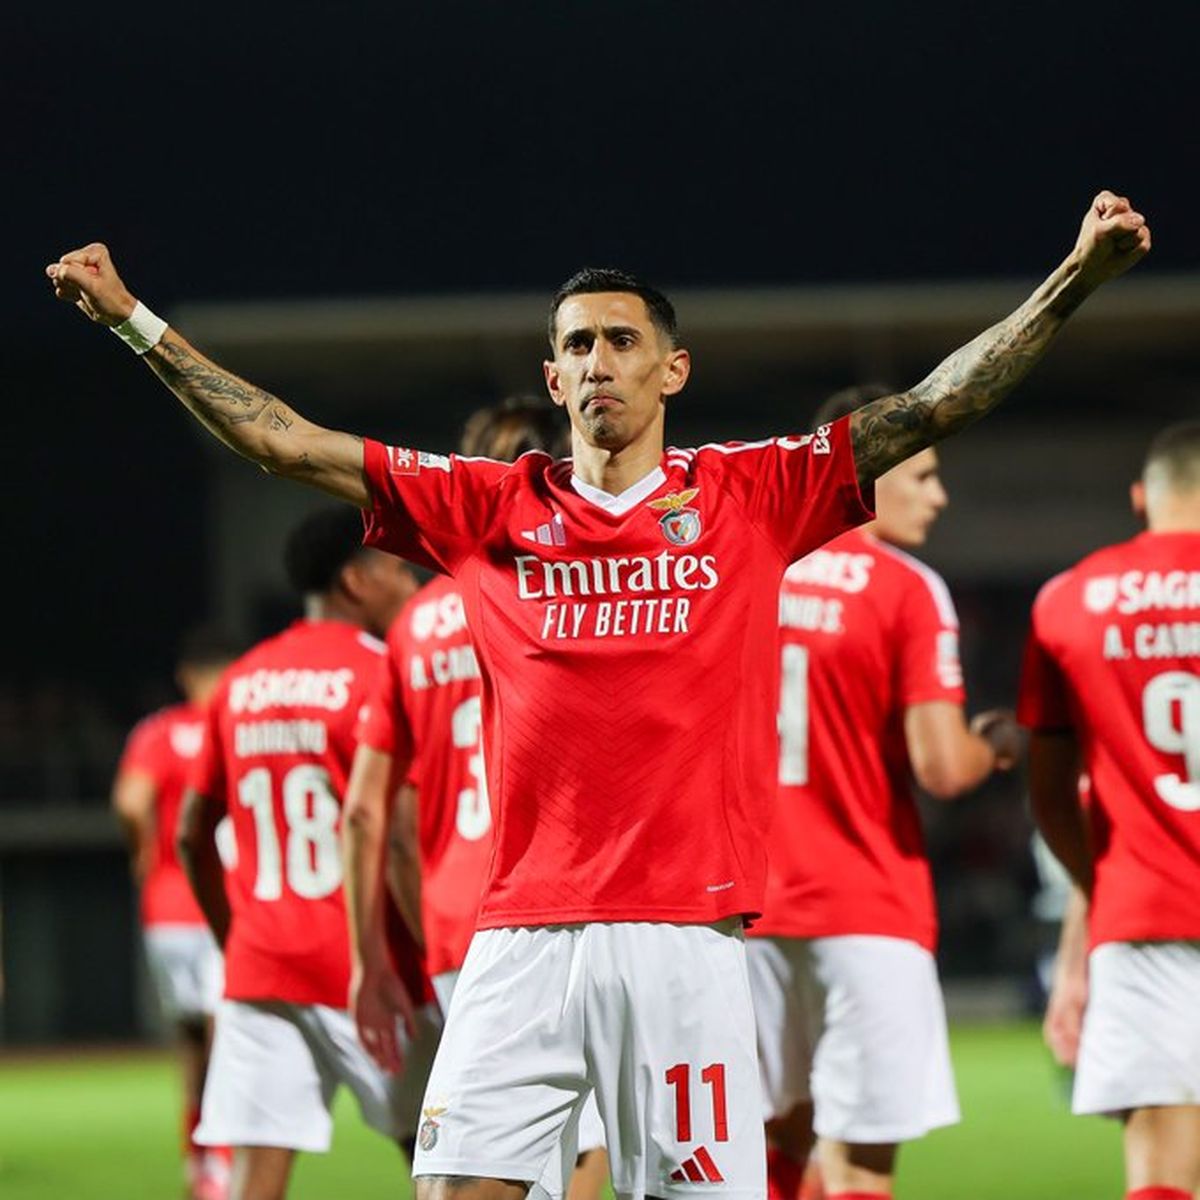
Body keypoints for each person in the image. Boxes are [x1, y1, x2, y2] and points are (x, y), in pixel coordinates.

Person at [48, 189, 1149, 1200]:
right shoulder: (486, 506)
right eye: (579, 344)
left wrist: (1076, 278)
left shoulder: (750, 494)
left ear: (674, 371)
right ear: (555, 372)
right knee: (452, 1190)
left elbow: (930, 407)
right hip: (520, 935)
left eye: (624, 341)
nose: (599, 362)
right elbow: (281, 440)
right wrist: (133, 320)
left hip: (685, 940)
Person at [745, 383, 1019, 1200]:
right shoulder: (905, 588)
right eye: (923, 472)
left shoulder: (745, 572)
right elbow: (941, 767)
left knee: (768, 1145)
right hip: (864, 903)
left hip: (740, 911)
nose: (938, 494)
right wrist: (993, 746)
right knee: (861, 1164)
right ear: (867, 472)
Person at [344, 395, 609, 1200]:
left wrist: (393, 950)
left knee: (475, 1145)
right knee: (582, 1151)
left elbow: (373, 815)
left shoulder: (416, 624)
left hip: (457, 916)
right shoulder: (573, 587)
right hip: (563, 897)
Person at [176, 506, 436, 1200]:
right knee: (451, 1165)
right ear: (356, 580)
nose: (410, 584)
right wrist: (435, 958)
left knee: (255, 1182)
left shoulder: (242, 680)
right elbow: (402, 838)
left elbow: (189, 833)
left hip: (263, 967)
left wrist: (237, 939)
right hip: (368, 969)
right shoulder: (383, 672)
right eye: (394, 569)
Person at [1020, 419, 1200, 1200]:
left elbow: (1051, 791)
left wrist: (1100, 878)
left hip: (1142, 912)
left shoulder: (1071, 599)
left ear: (1140, 499)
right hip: (1140, 909)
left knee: (1159, 1170)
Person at [113, 625, 240, 1200]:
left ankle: (198, 1165)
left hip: (164, 910)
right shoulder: (236, 726)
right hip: (221, 906)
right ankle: (222, 1161)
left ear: (185, 674)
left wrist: (143, 849)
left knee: (189, 1043)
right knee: (230, 1040)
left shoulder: (157, 732)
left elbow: (130, 801)